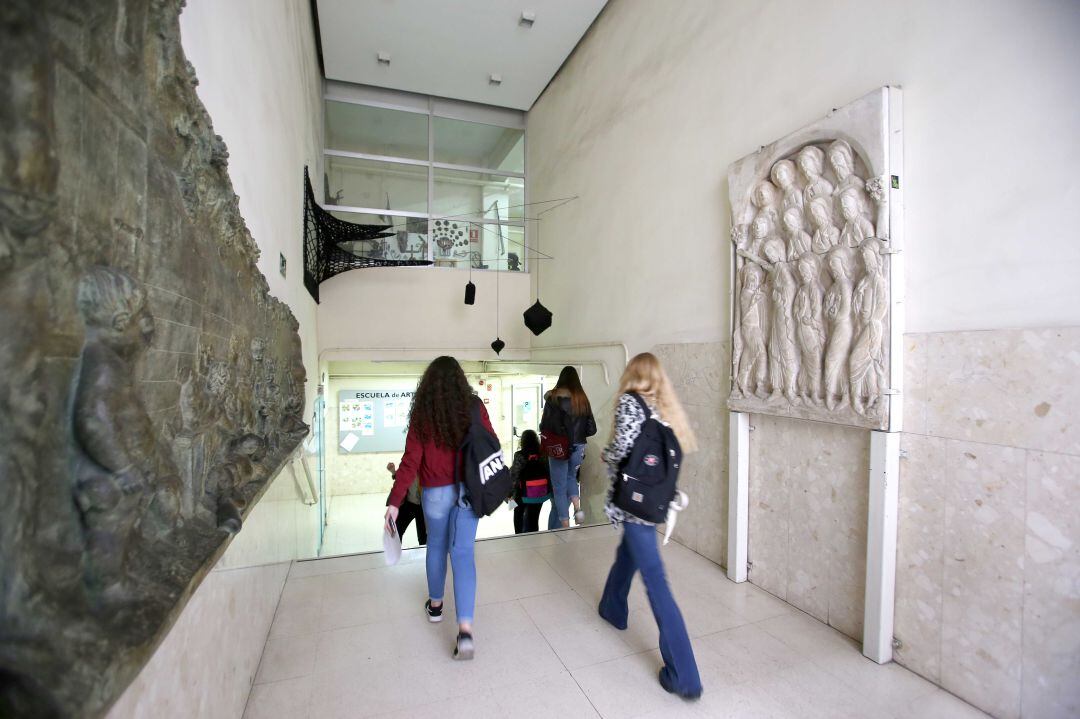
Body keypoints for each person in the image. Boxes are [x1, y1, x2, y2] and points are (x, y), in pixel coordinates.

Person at [598, 352, 702, 700]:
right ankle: (612, 606)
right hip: (653, 500)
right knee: (628, 553)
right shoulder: (665, 408)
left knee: (657, 583)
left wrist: (607, 454)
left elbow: (623, 448)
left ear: (632, 374)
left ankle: (684, 674)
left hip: (634, 503)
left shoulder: (631, 403)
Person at [384, 356, 493, 660]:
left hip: (434, 493)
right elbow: (491, 442)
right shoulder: (474, 406)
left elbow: (410, 462)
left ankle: (435, 607)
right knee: (463, 554)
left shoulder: (423, 412)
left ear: (428, 383)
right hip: (469, 490)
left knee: (436, 546)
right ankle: (466, 630)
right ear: (460, 379)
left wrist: (395, 502)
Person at [540, 366, 596, 529]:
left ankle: (565, 525)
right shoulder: (582, 399)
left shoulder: (553, 399)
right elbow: (592, 429)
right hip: (578, 446)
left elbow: (545, 425)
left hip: (560, 446)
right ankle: (578, 511)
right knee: (571, 477)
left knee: (559, 487)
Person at [507, 430, 550, 534]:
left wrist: (509, 494)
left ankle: (519, 536)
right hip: (539, 493)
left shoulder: (520, 455)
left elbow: (514, 476)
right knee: (534, 518)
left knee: (518, 513)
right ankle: (534, 537)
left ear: (523, 441)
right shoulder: (542, 454)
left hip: (523, 494)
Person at [385, 461, 426, 546]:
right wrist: (393, 471)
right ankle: (395, 551)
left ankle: (425, 555)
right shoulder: (409, 462)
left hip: (424, 506)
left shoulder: (427, 465)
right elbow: (401, 476)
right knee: (397, 529)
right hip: (410, 503)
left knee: (423, 537)